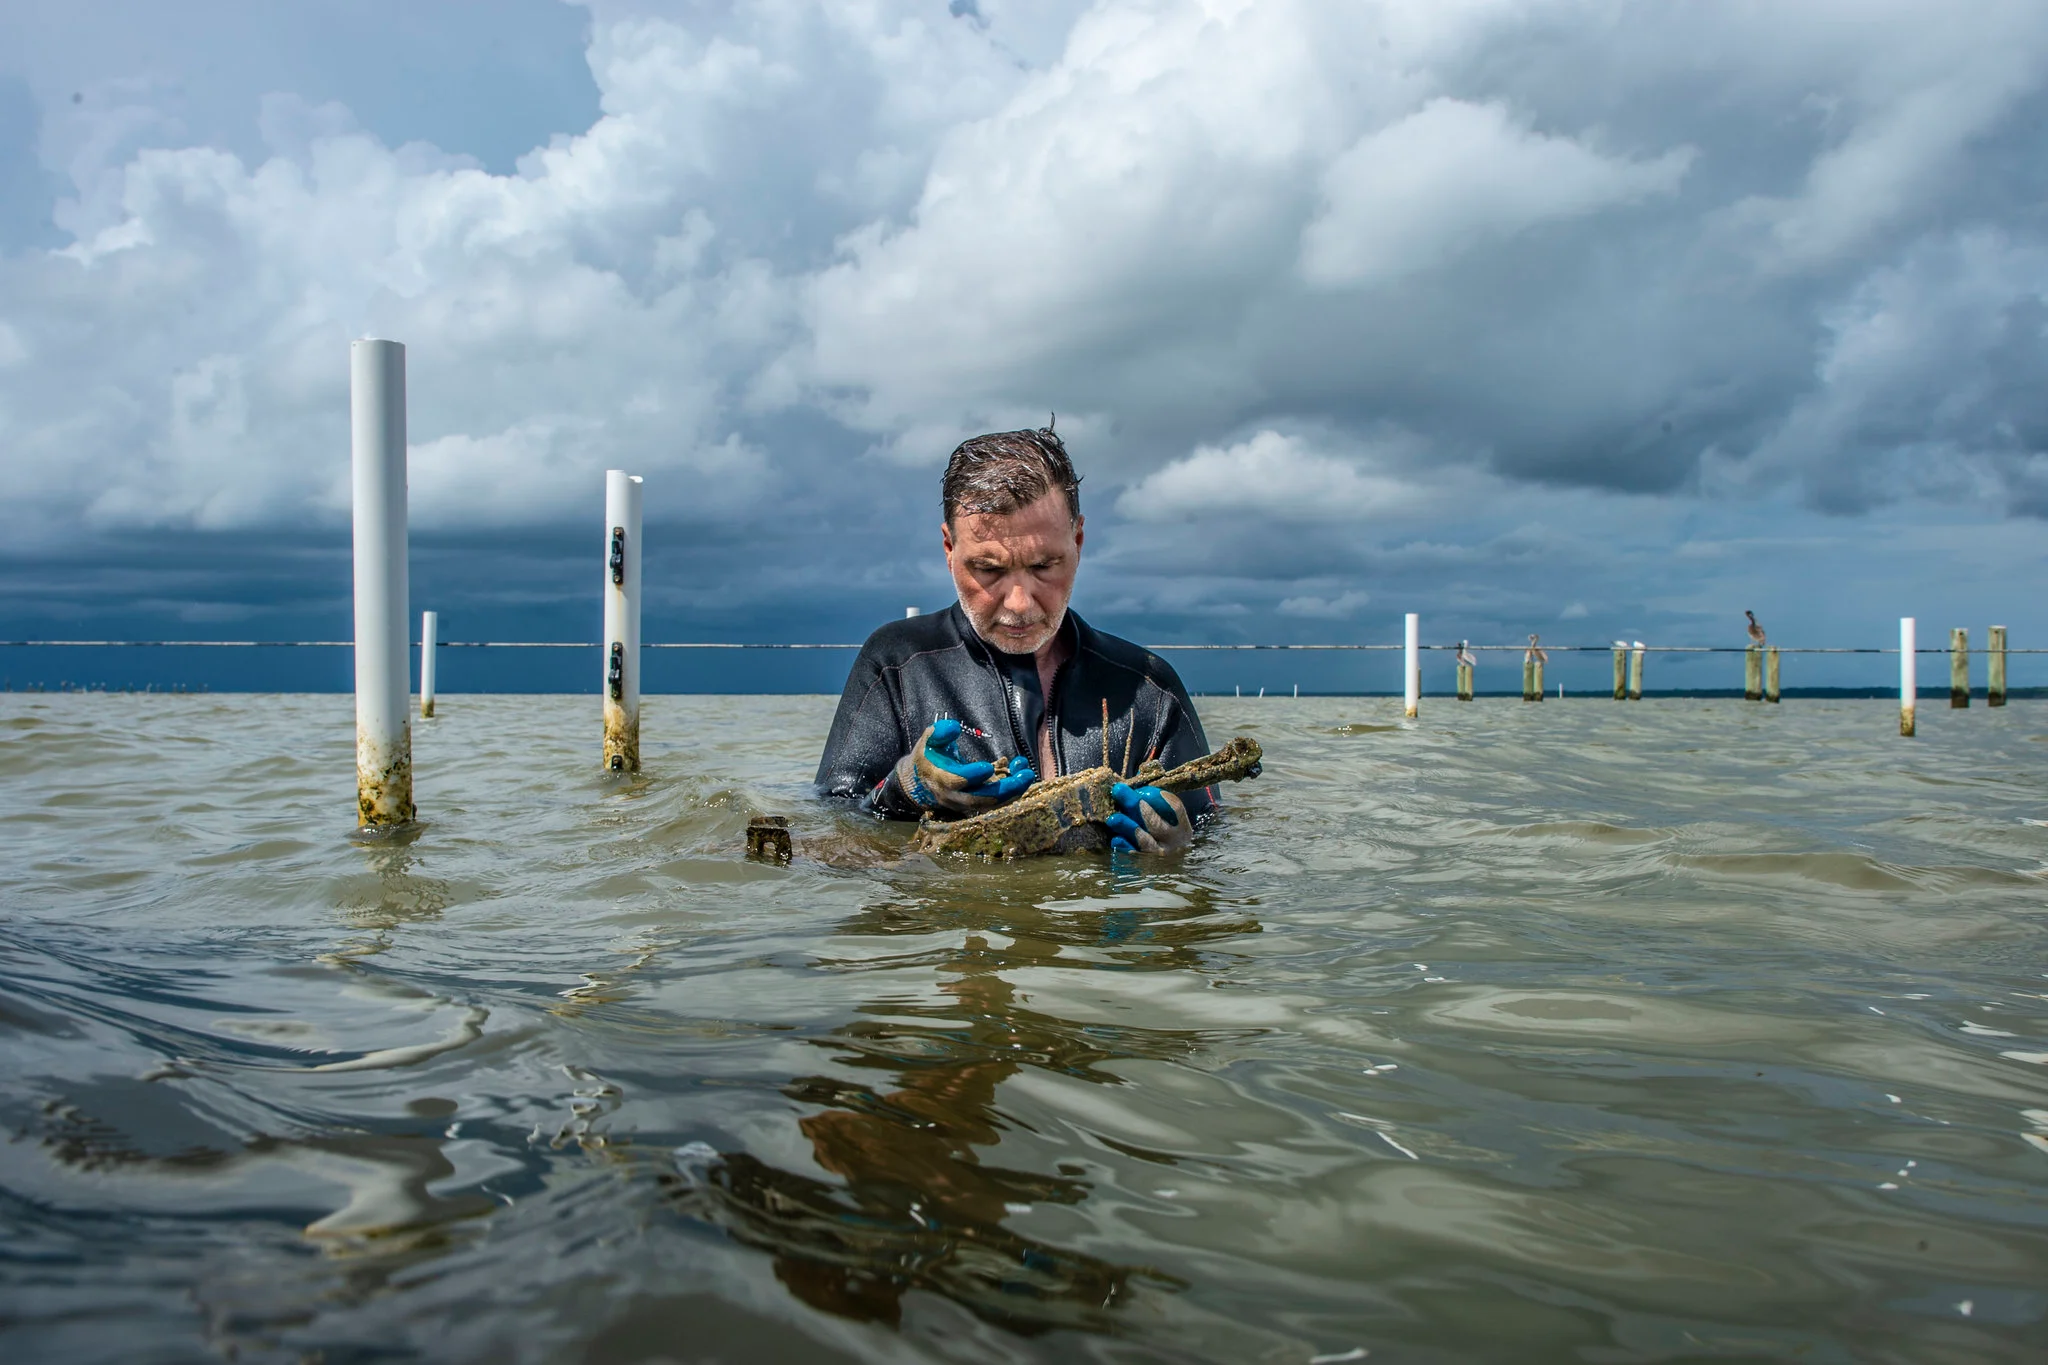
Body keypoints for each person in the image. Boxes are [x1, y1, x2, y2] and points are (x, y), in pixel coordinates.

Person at [815, 425, 1212, 853]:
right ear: (949, 548)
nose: (1020, 604)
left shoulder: (1152, 691)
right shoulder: (895, 663)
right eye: (988, 569)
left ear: (1078, 541)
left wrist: (1179, 852)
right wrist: (901, 790)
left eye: (1044, 565)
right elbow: (830, 827)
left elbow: (1220, 841)